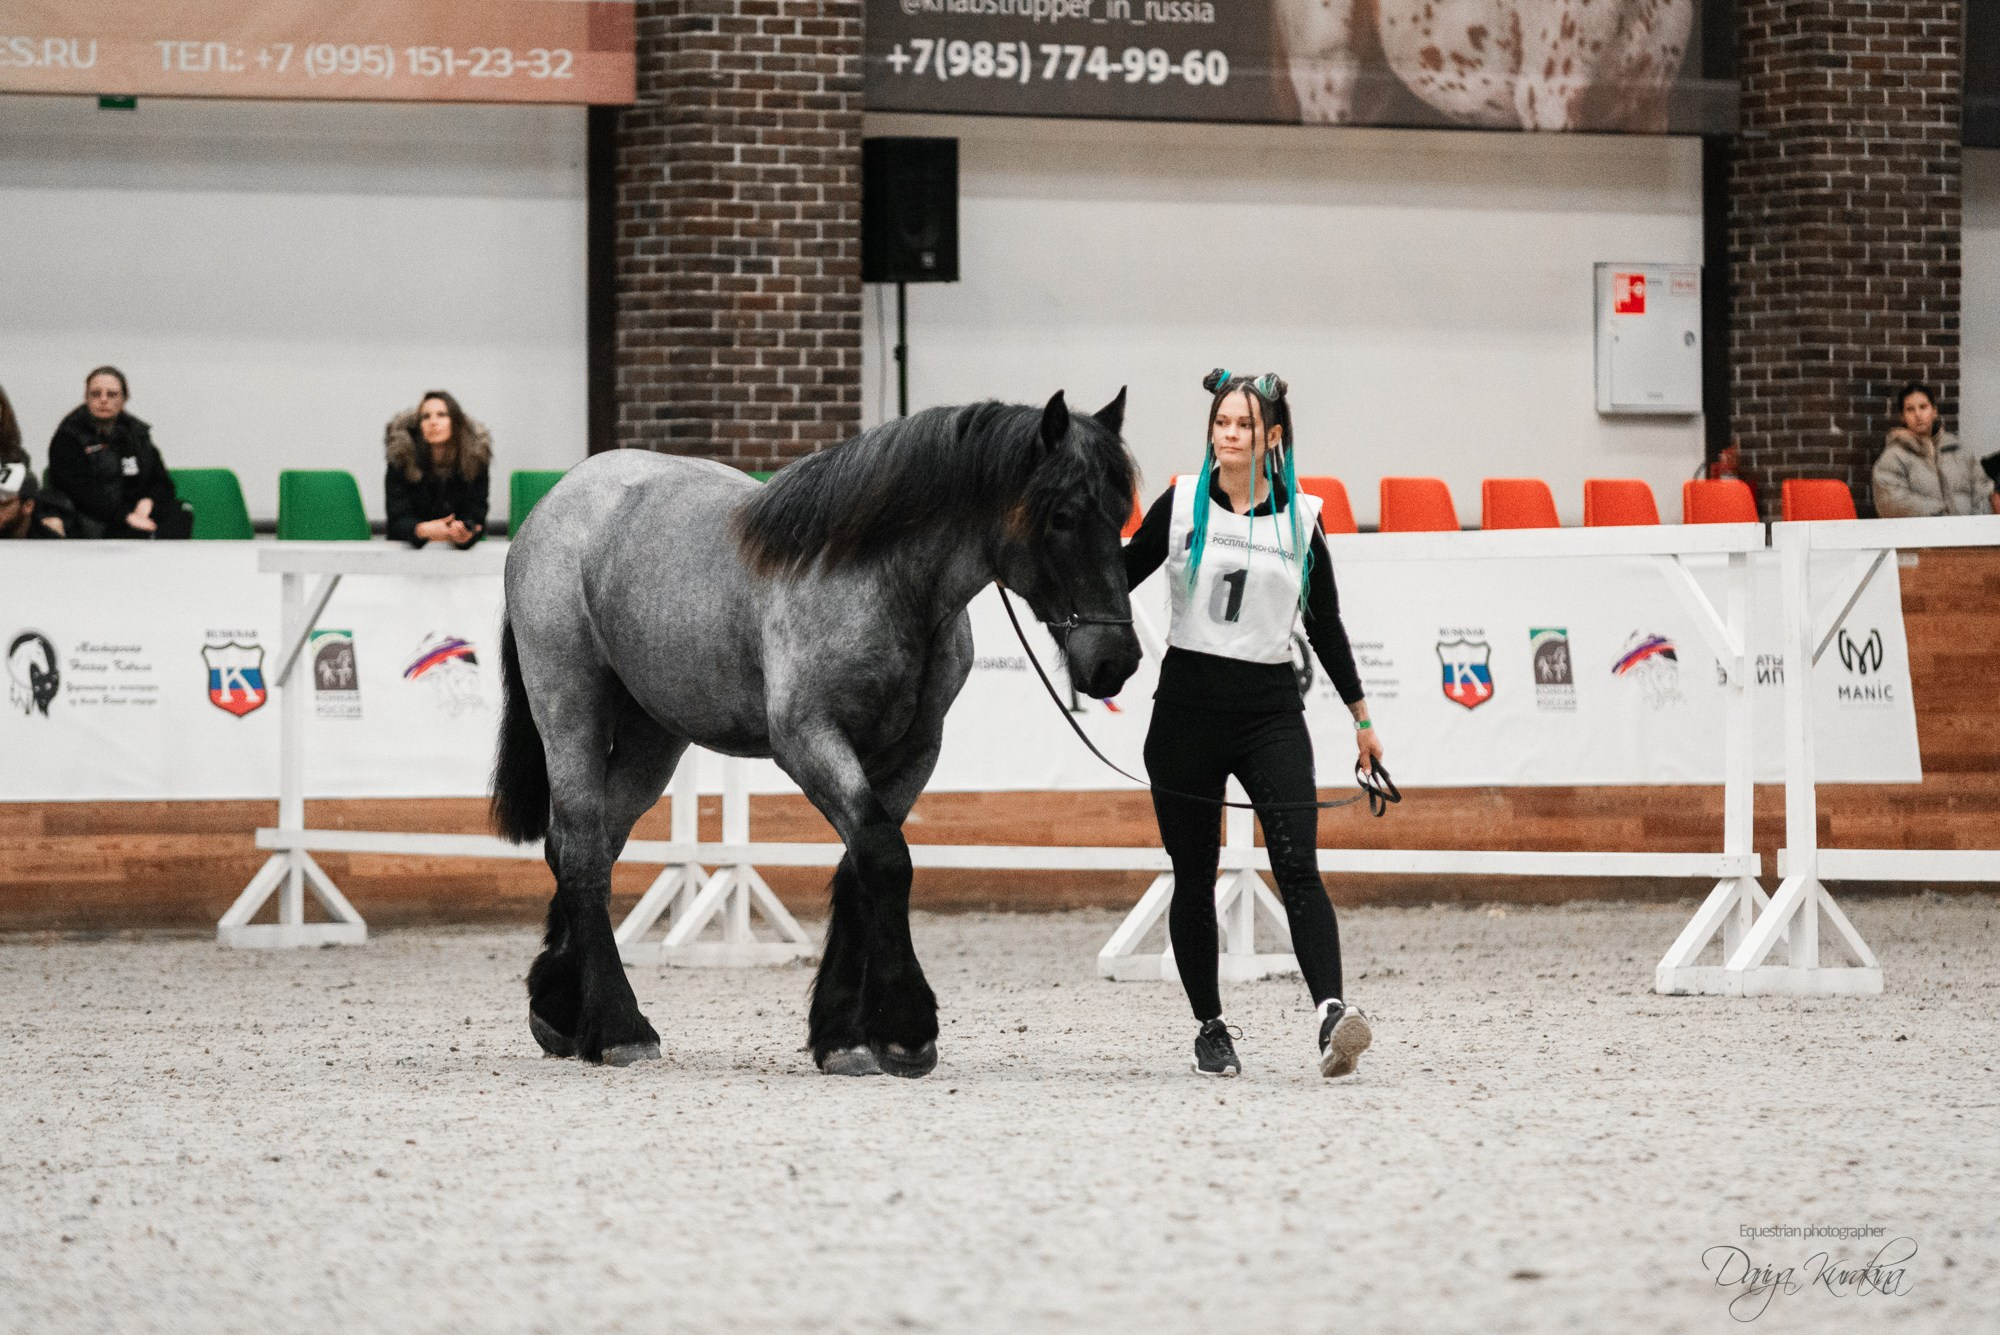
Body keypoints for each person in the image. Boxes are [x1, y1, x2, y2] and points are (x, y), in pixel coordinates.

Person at [1122, 369, 1382, 1080]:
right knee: (1194, 874)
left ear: (1272, 438)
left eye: (1244, 424)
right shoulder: (1180, 504)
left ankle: (1332, 1012)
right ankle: (1210, 1027)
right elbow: (1117, 575)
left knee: (1298, 864)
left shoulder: (1302, 518)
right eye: (1221, 422)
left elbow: (1325, 624)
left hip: (1269, 710)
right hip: (1186, 711)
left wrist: (1361, 717)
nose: (1229, 434)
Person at [45, 366, 192, 539]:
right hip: (93, 516)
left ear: (124, 399)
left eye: (112, 394)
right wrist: (126, 517)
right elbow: (80, 493)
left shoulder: (137, 433)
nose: (103, 400)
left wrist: (148, 502)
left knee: (180, 511)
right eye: (96, 394)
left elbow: (162, 482)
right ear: (86, 397)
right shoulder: (68, 437)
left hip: (137, 512)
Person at [1872, 382, 1997, 518]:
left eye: (1923, 407)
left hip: (1967, 530)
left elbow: (1983, 492)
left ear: (1934, 411)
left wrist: (1974, 524)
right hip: (1922, 531)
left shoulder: (1959, 450)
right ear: (1903, 417)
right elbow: (1891, 502)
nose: (1918, 414)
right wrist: (1942, 514)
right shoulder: (1893, 457)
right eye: (1910, 409)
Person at [384, 391, 490, 548]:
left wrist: (465, 531)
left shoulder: (475, 459)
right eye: (425, 417)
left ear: (455, 422)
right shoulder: (402, 459)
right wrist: (422, 530)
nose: (433, 422)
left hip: (458, 554)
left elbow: (476, 515)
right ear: (418, 425)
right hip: (407, 552)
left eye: (442, 415)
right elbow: (397, 519)